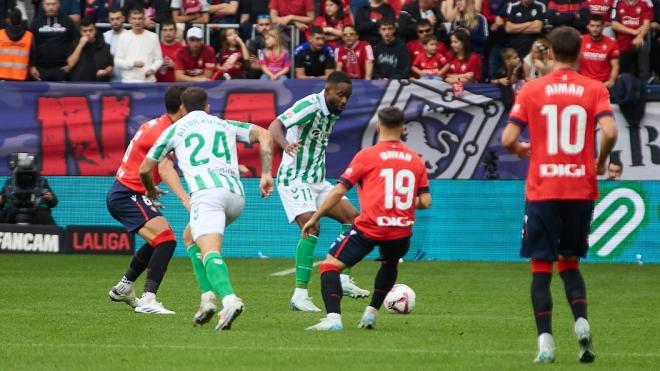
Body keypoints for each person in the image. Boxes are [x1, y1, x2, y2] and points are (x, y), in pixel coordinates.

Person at [501, 26, 618, 363]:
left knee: (541, 268)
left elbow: (508, 138)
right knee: (570, 263)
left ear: (549, 53)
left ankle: (546, 344)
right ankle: (581, 322)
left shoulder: (532, 89)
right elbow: (610, 130)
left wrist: (522, 147)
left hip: (543, 189)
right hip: (580, 188)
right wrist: (600, 160)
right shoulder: (594, 88)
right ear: (580, 54)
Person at [140, 87, 274, 331]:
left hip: (208, 196)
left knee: (210, 251)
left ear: (182, 107)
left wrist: (149, 190)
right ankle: (207, 299)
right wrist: (266, 173)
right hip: (236, 197)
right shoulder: (224, 124)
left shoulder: (174, 129)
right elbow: (265, 134)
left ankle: (229, 300)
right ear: (208, 106)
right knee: (189, 236)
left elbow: (144, 168)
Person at [303, 106, 432, 331]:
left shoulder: (367, 156)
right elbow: (426, 202)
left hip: (371, 227)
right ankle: (371, 314)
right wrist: (403, 205)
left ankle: (333, 318)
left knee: (329, 267)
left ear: (379, 126)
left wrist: (315, 217)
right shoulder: (415, 160)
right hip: (401, 231)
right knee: (390, 263)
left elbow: (338, 191)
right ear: (402, 128)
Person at [268, 71, 370, 312]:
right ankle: (300, 295)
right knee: (311, 227)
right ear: (327, 91)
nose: (344, 100)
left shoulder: (332, 111)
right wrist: (285, 145)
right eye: (340, 95)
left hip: (317, 180)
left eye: (348, 96)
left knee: (354, 221)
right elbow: (275, 125)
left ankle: (343, 278)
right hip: (295, 179)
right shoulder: (310, 105)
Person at [106, 86, 189, 315]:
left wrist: (149, 190)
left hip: (128, 192)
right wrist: (185, 198)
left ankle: (124, 287)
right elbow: (164, 167)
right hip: (126, 194)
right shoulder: (162, 131)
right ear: (182, 107)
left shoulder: (162, 126)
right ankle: (148, 299)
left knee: (160, 240)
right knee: (166, 240)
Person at [0, 153, 58, 225]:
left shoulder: (42, 182)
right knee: (5, 212)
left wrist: (50, 199)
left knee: (45, 215)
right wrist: (1, 200)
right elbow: (1, 203)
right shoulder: (9, 182)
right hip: (12, 211)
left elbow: (54, 203)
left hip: (36, 211)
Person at [29, 0, 78, 81]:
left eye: (53, 4)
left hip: (62, 68)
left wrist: (70, 65)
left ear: (59, 4)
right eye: (48, 4)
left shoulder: (68, 21)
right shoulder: (36, 23)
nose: (51, 7)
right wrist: (32, 66)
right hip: (41, 69)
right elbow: (31, 46)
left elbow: (76, 42)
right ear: (43, 5)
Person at [113, 7, 162, 83]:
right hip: (128, 81)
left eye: (140, 18)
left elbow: (159, 60)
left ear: (144, 19)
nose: (137, 21)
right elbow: (117, 61)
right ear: (129, 20)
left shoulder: (153, 37)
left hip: (148, 81)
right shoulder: (123, 37)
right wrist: (133, 64)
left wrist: (152, 69)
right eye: (134, 18)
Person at [611, 0, 653, 81]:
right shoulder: (618, 2)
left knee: (642, 45)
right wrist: (634, 32)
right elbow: (614, 25)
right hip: (621, 47)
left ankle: (644, 80)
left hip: (635, 45)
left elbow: (646, 24)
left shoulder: (645, 2)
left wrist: (639, 37)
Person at [67, 17, 113, 82]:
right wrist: (80, 46)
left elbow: (110, 66)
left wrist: (105, 71)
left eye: (91, 30)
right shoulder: (74, 45)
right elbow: (70, 64)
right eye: (85, 31)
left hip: (99, 84)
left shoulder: (104, 46)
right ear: (80, 32)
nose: (88, 33)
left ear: (95, 31)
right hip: (78, 84)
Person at [579, 15, 620, 88]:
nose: (595, 29)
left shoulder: (612, 43)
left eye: (598, 26)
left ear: (603, 26)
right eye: (592, 26)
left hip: (603, 84)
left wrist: (611, 81)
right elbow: (572, 61)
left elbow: (615, 65)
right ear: (588, 26)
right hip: (584, 83)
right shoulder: (581, 40)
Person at [0, 7, 32, 81]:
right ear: (21, 20)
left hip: (2, 80)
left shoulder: (0, 34)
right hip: (21, 80)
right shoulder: (29, 36)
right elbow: (32, 60)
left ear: (8, 20)